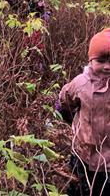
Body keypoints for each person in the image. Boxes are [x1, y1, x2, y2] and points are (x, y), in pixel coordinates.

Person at [57, 29, 110, 196]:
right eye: (101, 61)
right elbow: (65, 101)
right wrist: (71, 119)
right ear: (91, 60)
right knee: (81, 189)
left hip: (109, 157)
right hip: (84, 154)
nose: (107, 66)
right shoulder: (81, 83)